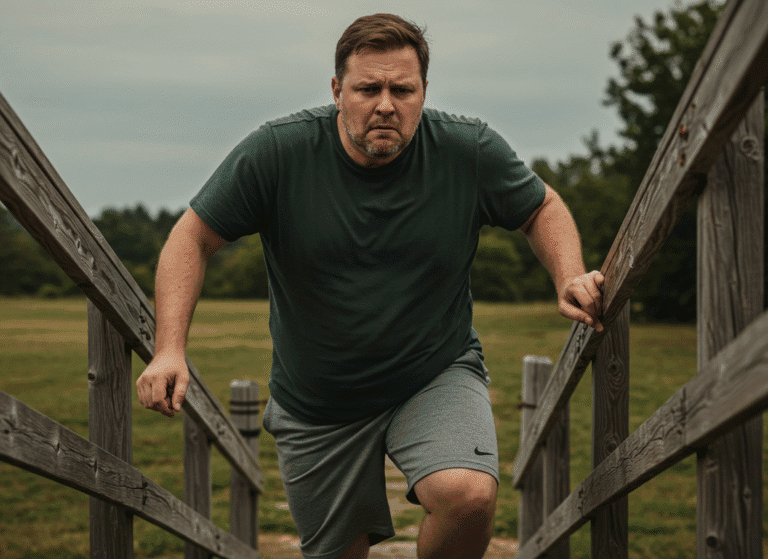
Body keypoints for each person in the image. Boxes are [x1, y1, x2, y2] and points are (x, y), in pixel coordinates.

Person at [136, 13, 605, 559]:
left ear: (424, 91)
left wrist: (569, 273)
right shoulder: (278, 152)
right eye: (368, 88)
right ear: (338, 91)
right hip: (318, 400)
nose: (386, 104)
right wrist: (169, 349)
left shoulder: (466, 149)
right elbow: (190, 239)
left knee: (468, 496)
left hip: (433, 372)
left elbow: (540, 207)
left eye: (402, 89)